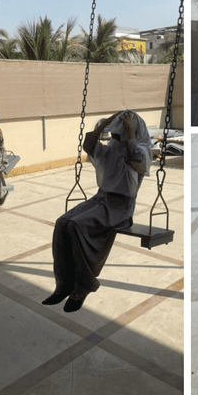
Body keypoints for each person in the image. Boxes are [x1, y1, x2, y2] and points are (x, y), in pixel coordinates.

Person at [43, 110, 152, 313]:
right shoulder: (111, 149)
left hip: (120, 206)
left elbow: (134, 158)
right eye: (115, 136)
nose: (115, 140)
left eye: (119, 135)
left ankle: (83, 286)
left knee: (77, 226)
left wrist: (130, 136)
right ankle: (64, 283)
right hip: (100, 198)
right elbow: (89, 145)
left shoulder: (142, 150)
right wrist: (106, 124)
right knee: (62, 223)